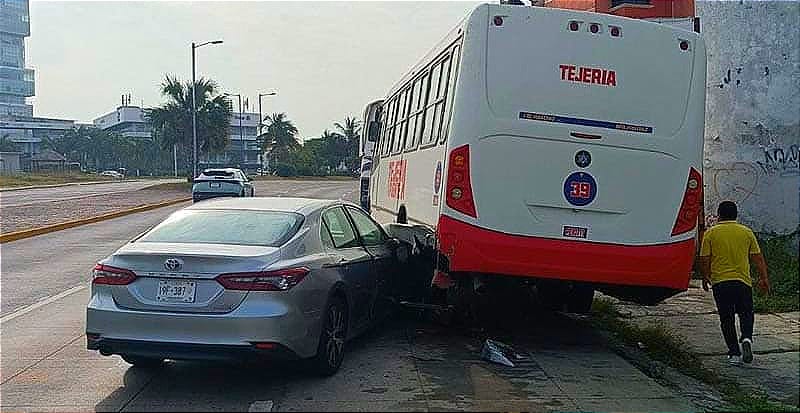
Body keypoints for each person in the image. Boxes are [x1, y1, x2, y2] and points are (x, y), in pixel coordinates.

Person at [698, 201, 770, 365]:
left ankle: (734, 353)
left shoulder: (711, 233)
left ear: (719, 215)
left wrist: (705, 276)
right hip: (743, 281)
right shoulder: (746, 232)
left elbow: (704, 259)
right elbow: (758, 258)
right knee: (746, 313)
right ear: (736, 215)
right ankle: (746, 337)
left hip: (721, 283)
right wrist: (764, 278)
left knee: (726, 318)